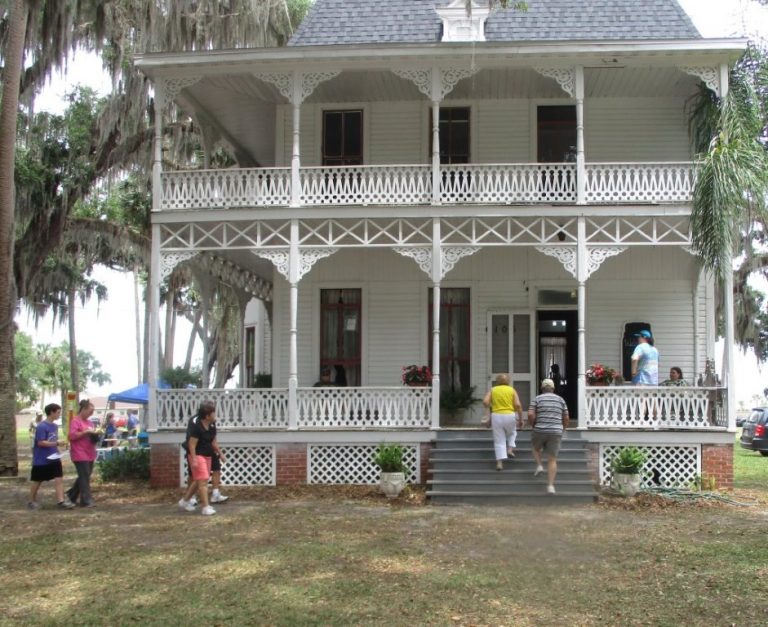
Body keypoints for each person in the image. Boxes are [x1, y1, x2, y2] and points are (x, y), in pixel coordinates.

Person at [178, 400, 228, 515]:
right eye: (213, 413)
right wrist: (194, 459)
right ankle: (206, 507)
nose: (215, 415)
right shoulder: (196, 425)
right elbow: (191, 444)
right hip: (197, 454)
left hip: (208, 454)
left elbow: (213, 442)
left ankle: (185, 501)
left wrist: (220, 454)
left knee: (199, 480)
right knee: (203, 480)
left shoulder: (212, 424)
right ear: (207, 415)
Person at [28, 403, 75, 510]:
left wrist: (58, 451)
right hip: (41, 459)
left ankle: (61, 501)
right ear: (51, 412)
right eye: (58, 412)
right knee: (37, 480)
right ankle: (31, 501)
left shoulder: (54, 426)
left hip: (54, 458)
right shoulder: (41, 426)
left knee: (59, 478)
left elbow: (53, 440)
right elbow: (40, 443)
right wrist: (57, 443)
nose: (59, 414)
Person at [528, 378, 570, 495]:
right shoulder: (560, 400)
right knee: (552, 459)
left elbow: (531, 414)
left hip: (540, 429)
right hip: (556, 431)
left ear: (542, 388)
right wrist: (563, 428)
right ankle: (550, 486)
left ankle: (540, 465)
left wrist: (533, 425)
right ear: (553, 388)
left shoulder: (537, 399)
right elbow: (566, 417)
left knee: (535, 448)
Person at [483, 373, 523, 471]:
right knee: (512, 432)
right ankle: (509, 449)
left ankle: (499, 464)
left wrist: (490, 407)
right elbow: (517, 405)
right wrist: (521, 419)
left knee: (499, 440)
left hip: (496, 416)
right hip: (509, 415)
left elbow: (485, 402)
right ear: (508, 381)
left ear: (497, 381)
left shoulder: (493, 390)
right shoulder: (512, 390)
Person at [66, 399, 99, 507]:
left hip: (90, 452)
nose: (91, 414)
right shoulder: (75, 421)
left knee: (85, 475)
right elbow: (72, 436)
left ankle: (71, 494)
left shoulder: (90, 422)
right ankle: (86, 500)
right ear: (83, 409)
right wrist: (85, 432)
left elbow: (92, 435)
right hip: (79, 453)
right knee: (84, 475)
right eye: (90, 411)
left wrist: (95, 434)